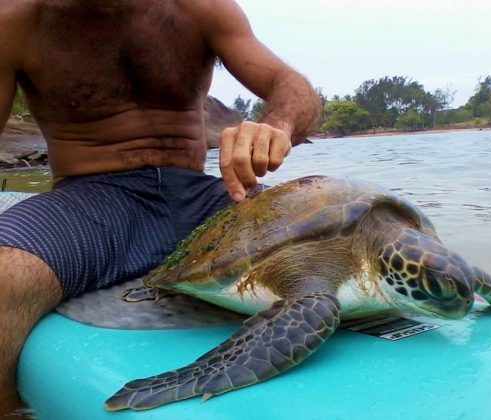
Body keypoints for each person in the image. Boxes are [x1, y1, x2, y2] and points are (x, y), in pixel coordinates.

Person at [0, 0, 321, 413]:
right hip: (88, 203)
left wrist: (277, 127)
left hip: (211, 199)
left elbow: (290, 83)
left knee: (354, 228)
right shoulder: (17, 20)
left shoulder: (200, 8)